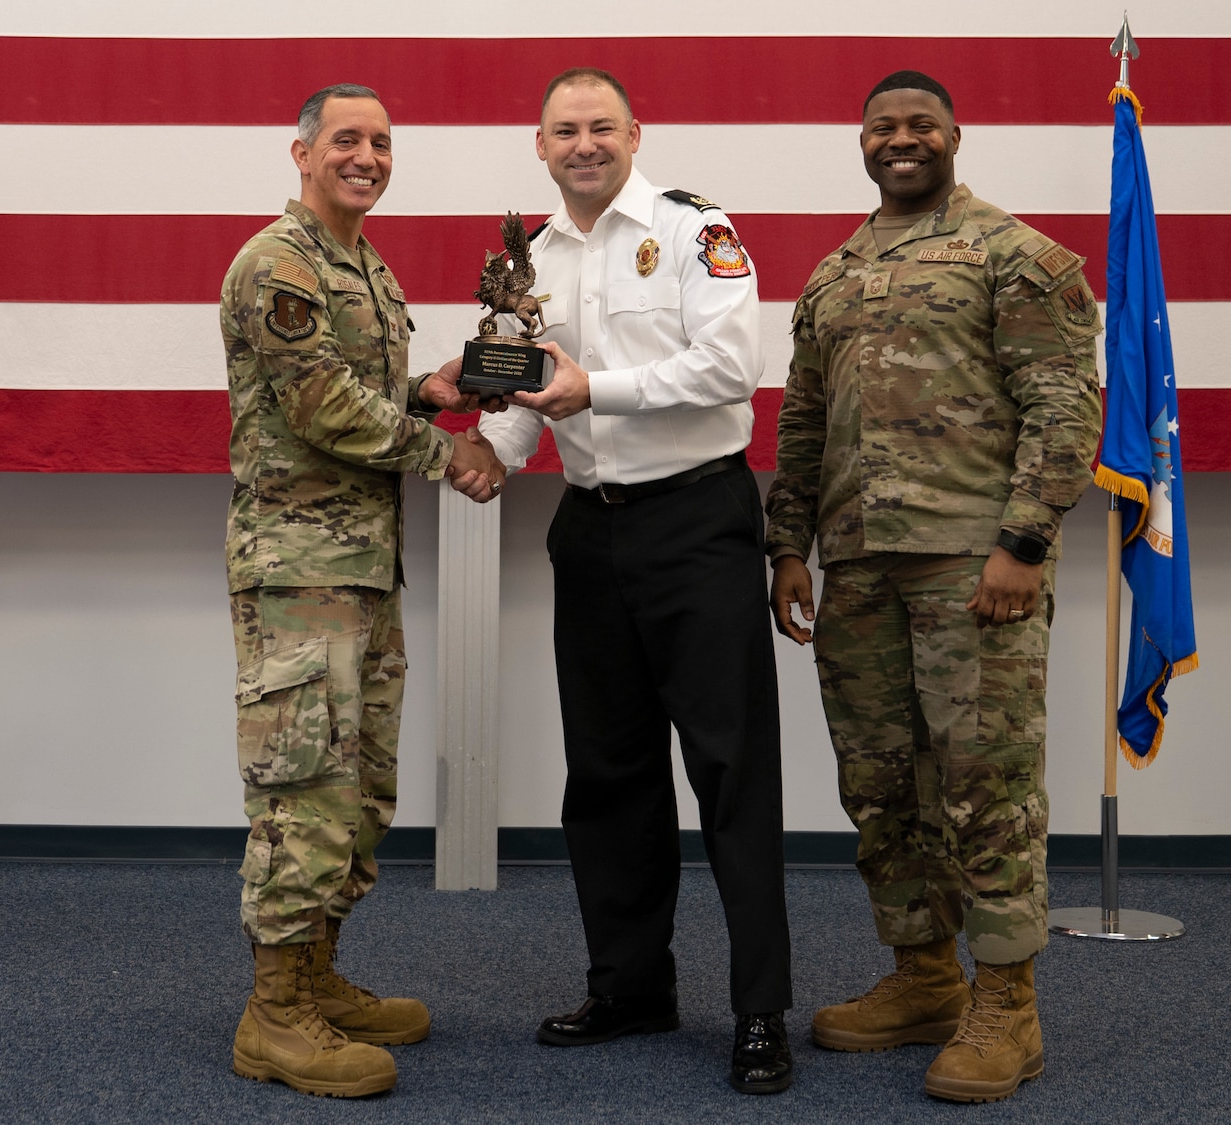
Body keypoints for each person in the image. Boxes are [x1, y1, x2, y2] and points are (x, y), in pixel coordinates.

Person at [440, 66, 794, 1095]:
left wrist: (597, 387)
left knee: (730, 774)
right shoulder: (532, 257)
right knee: (605, 776)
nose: (583, 144)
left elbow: (729, 369)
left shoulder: (694, 230)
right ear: (538, 148)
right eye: (564, 131)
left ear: (635, 135)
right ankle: (630, 985)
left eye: (601, 127)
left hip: (696, 523)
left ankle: (759, 1009)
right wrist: (490, 453)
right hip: (588, 534)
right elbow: (528, 387)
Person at [765, 70, 1104, 1104]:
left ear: (953, 136)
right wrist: (786, 547)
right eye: (882, 127)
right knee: (880, 786)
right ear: (861, 141)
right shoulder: (831, 274)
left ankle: (1006, 1004)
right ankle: (921, 977)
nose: (900, 140)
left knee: (983, 787)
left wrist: (1022, 542)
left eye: (919, 125)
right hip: (857, 562)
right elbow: (803, 423)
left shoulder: (1013, 253)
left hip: (971, 565)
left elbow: (1061, 403)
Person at [218, 82, 504, 1099]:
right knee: (304, 791)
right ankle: (272, 1013)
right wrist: (446, 451)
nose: (368, 156)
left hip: (360, 569)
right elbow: (319, 408)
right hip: (298, 571)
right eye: (347, 139)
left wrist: (427, 389)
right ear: (299, 152)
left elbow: (360, 395)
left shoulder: (363, 270)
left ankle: (317, 976)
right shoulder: (278, 264)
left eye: (381, 142)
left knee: (359, 791)